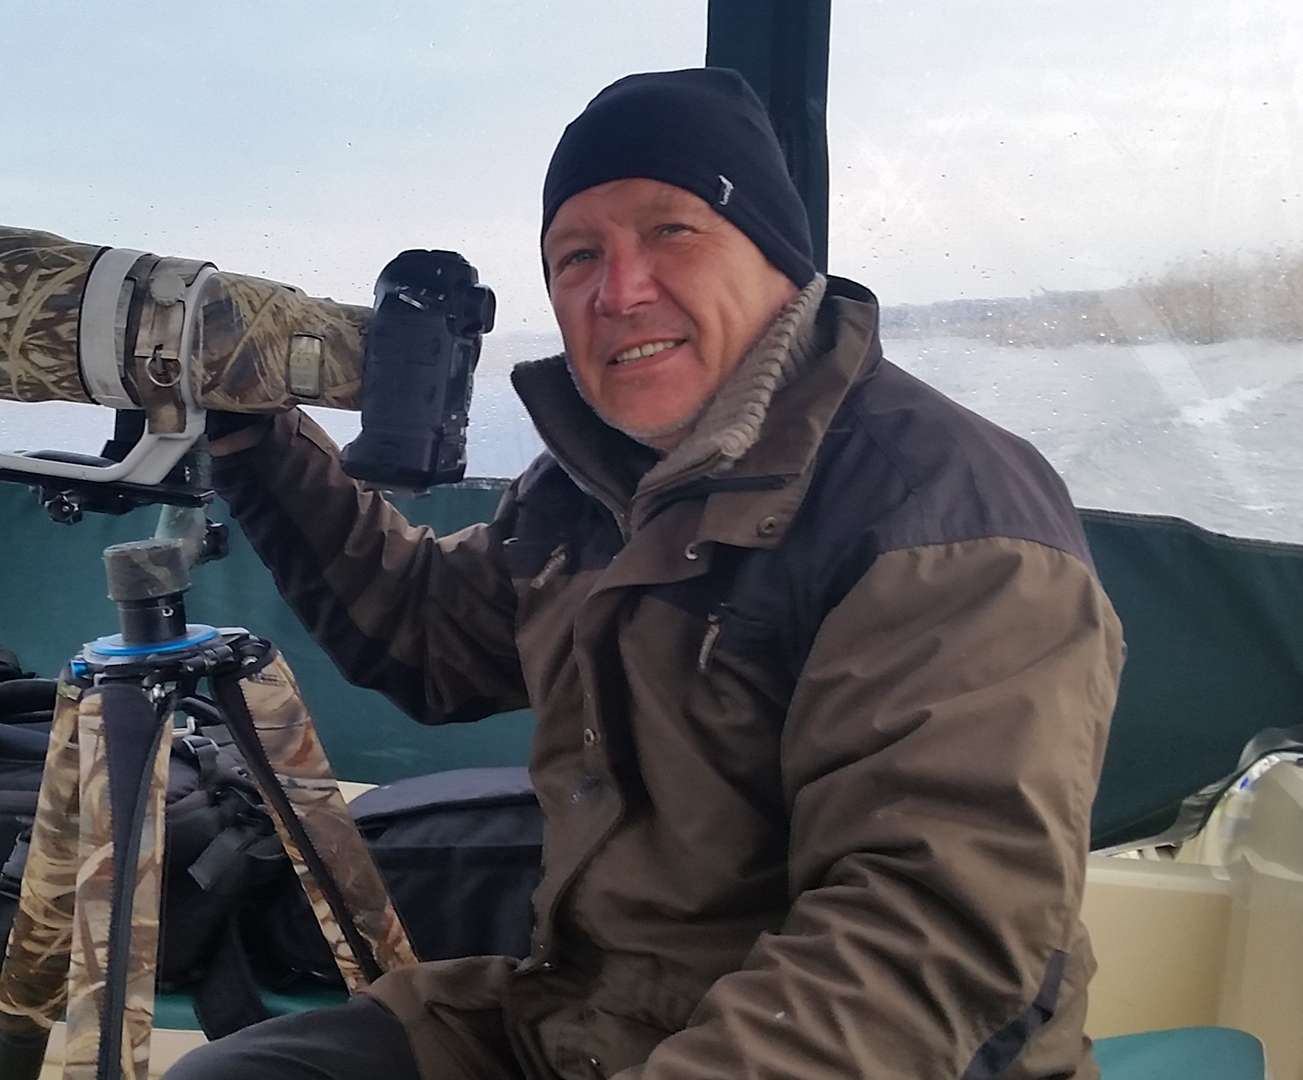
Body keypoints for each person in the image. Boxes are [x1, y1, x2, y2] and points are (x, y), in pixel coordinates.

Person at [173, 68, 1122, 1080]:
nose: (619, 292)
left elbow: (923, 945)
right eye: (577, 256)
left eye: (672, 231)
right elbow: (427, 633)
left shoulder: (943, 521)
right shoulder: (596, 486)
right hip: (584, 1020)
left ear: (778, 258)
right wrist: (256, 444)